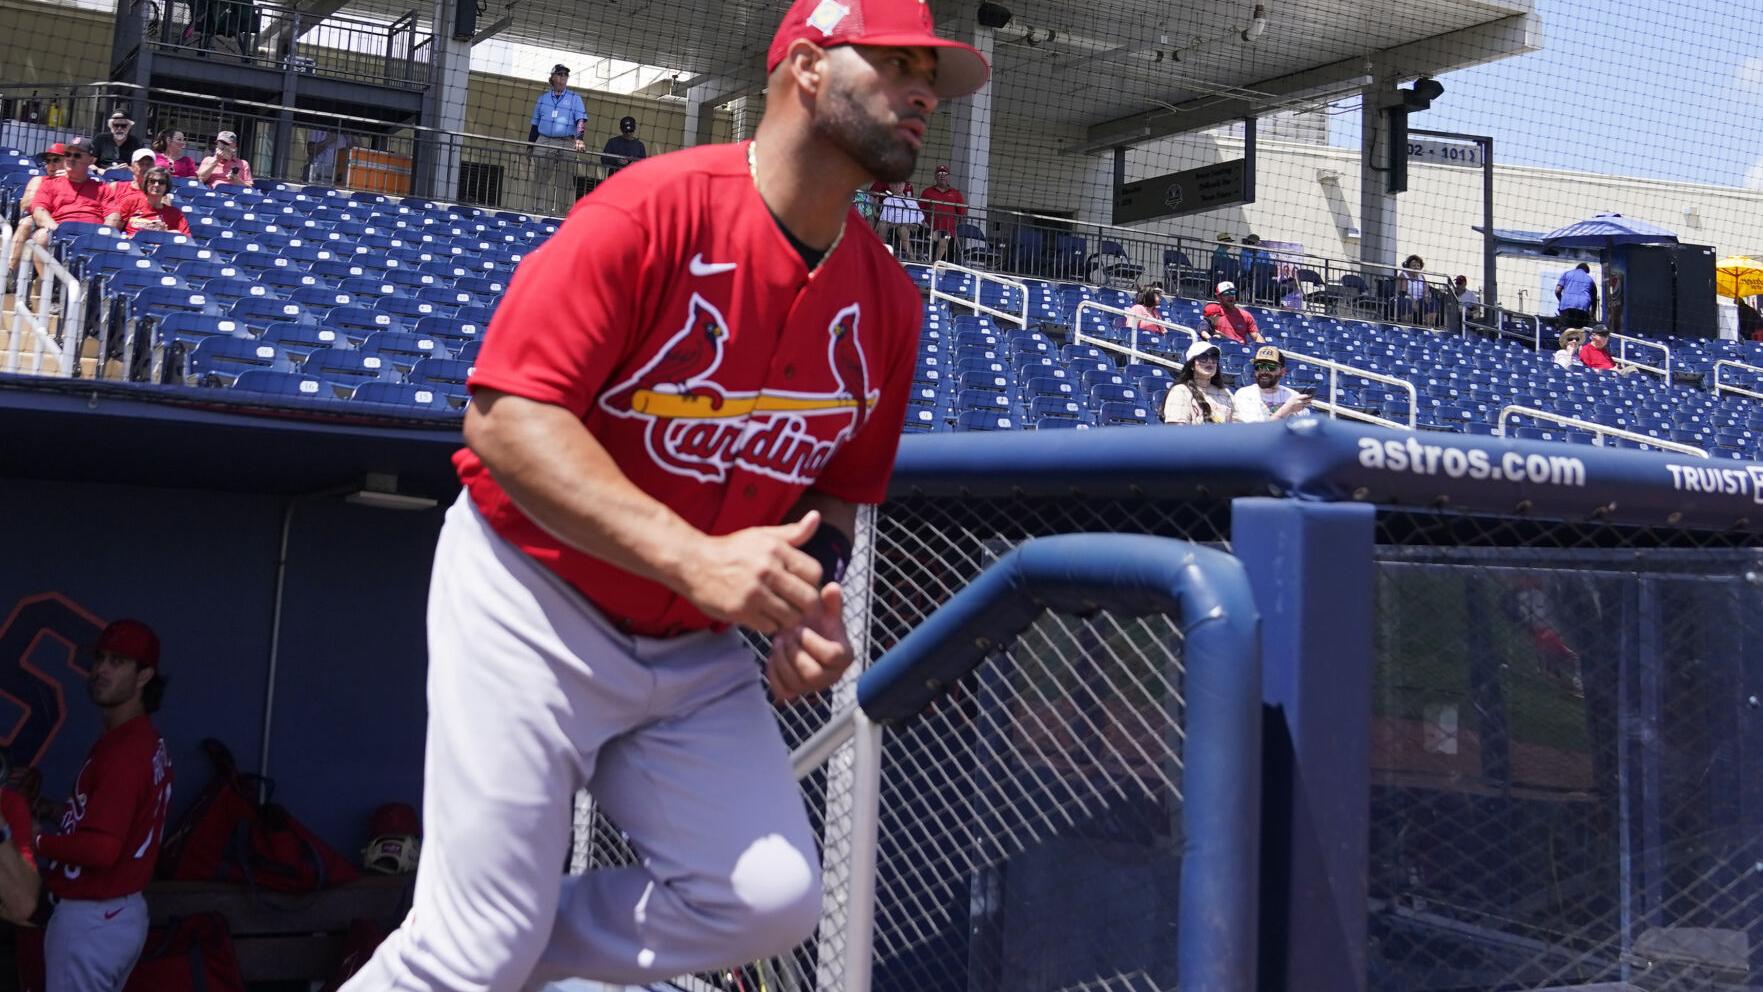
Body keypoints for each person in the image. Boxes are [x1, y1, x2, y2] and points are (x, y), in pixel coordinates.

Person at [338, 0, 987, 988]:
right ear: (807, 66)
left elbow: (840, 495)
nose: (922, 95)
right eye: (898, 63)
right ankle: (472, 947)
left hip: (693, 644)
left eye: (931, 79)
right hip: (532, 599)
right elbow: (504, 417)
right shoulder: (652, 207)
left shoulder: (889, 305)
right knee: (475, 945)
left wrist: (808, 594)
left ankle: (485, 945)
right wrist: (694, 556)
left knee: (765, 898)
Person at [36, 618, 173, 992]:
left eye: (117, 661)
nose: (101, 670)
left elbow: (101, 849)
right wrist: (54, 812)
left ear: (144, 675)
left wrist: (34, 841)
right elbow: (114, 819)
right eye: (99, 659)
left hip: (93, 919)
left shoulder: (125, 752)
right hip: (118, 913)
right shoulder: (138, 738)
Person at [31, 138, 123, 249]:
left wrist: (102, 235)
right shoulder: (49, 184)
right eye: (68, 154)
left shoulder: (102, 188)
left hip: (93, 236)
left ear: (91, 160)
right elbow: (39, 211)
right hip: (60, 233)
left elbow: (113, 215)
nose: (70, 159)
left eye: (77, 155)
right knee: (41, 237)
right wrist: (56, 229)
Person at [529, 64, 588, 216]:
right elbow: (535, 124)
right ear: (553, 77)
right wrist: (530, 145)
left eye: (565, 75)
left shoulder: (575, 99)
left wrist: (579, 139)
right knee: (541, 175)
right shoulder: (542, 99)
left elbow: (581, 120)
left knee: (565, 179)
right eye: (560, 74)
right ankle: (538, 210)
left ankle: (563, 213)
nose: (563, 78)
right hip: (544, 139)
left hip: (566, 140)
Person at [6, 142, 66, 277]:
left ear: (67, 162)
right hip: (40, 222)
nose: (50, 164)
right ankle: (9, 271)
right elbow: (25, 207)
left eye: (56, 160)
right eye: (48, 160)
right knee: (26, 223)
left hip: (64, 224)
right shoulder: (39, 180)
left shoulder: (74, 182)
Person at [1232, 345, 1313, 423]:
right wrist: (1287, 409)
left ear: (1283, 372)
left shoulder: (1293, 396)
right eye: (1258, 366)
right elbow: (1257, 433)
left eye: (1270, 367)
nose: (1263, 371)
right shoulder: (1244, 394)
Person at [1162, 339, 1235, 425]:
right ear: (1192, 365)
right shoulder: (1180, 391)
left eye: (1214, 357)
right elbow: (1176, 431)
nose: (1210, 361)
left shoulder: (1225, 392)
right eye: (1203, 357)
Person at [116, 168, 191, 238]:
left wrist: (166, 232)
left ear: (166, 187)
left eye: (161, 182)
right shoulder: (131, 202)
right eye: (152, 181)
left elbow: (186, 240)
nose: (156, 185)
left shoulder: (175, 214)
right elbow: (115, 232)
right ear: (146, 183)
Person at [917, 164, 966, 263]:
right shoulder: (927, 192)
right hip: (929, 231)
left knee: (946, 243)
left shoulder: (956, 193)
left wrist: (953, 226)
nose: (942, 175)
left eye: (945, 173)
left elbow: (961, 213)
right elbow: (919, 212)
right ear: (935, 176)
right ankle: (935, 263)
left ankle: (935, 263)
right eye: (939, 173)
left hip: (949, 233)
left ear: (948, 176)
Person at [876, 180, 924, 261]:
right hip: (897, 228)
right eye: (895, 183)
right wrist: (904, 224)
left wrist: (918, 225)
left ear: (904, 185)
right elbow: (885, 220)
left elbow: (921, 217)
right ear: (890, 186)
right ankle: (912, 258)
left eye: (900, 183)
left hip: (915, 227)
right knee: (902, 229)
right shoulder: (888, 201)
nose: (898, 185)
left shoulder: (912, 201)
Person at [1556, 262, 1598, 329]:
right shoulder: (1590, 280)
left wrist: (1562, 301)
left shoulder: (1567, 274)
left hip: (1566, 306)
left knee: (1565, 330)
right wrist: (1592, 315)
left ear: (1576, 268)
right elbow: (1594, 300)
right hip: (1583, 307)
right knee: (1580, 332)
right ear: (1586, 271)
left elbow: (1557, 291)